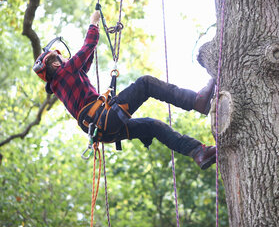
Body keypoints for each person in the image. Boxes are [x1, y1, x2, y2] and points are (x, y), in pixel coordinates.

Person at [32, 10, 217, 170]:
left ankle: (198, 152)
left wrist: (94, 36)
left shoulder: (61, 84)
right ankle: (197, 102)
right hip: (105, 120)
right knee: (145, 84)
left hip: (106, 132)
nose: (64, 59)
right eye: (59, 57)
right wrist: (93, 22)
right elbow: (88, 47)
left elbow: (85, 63)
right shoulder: (65, 72)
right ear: (55, 63)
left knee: (153, 126)